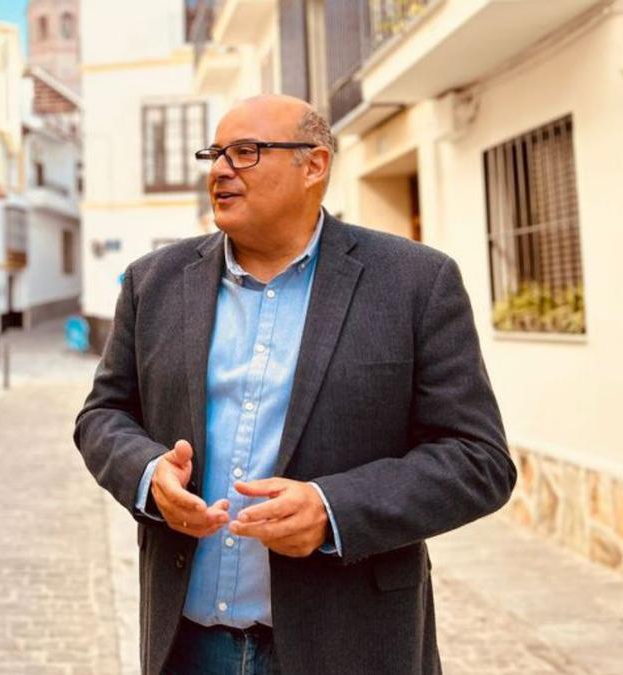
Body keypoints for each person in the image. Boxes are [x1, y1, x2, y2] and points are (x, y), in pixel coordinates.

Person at [73, 95, 516, 675]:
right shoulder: (152, 283)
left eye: (246, 152)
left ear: (314, 165)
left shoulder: (415, 282)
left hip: (351, 643)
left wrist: (333, 511)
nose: (221, 170)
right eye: (215, 153)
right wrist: (148, 473)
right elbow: (102, 415)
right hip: (187, 645)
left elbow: (478, 460)